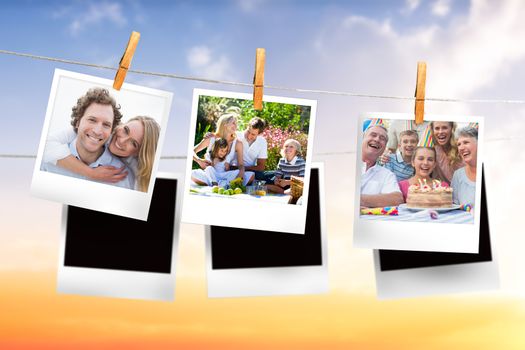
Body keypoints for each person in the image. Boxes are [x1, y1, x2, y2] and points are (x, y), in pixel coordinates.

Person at [41, 88, 134, 189]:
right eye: (92, 120)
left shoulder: (123, 176)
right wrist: (91, 173)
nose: (97, 131)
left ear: (111, 131)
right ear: (77, 122)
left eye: (106, 125)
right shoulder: (47, 161)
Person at [43, 113, 160, 192]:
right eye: (126, 130)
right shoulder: (96, 132)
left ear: (138, 153)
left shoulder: (132, 174)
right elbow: (46, 145)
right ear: (121, 125)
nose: (122, 140)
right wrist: (91, 173)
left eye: (133, 143)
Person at [191, 112, 254, 186]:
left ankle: (219, 184)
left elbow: (241, 164)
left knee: (251, 175)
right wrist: (199, 161)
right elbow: (191, 151)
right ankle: (220, 184)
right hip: (210, 173)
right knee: (191, 173)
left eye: (236, 123)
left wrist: (241, 174)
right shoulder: (211, 138)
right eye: (233, 123)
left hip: (225, 175)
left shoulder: (237, 143)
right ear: (225, 124)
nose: (236, 126)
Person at [360, 125, 404, 208]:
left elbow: (397, 199)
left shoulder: (387, 175)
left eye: (382, 138)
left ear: (384, 148)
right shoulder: (345, 162)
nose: (377, 139)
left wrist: (356, 199)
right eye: (373, 135)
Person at [451, 127, 478, 207]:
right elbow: (454, 207)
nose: (461, 148)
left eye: (466, 142)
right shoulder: (458, 175)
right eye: (459, 144)